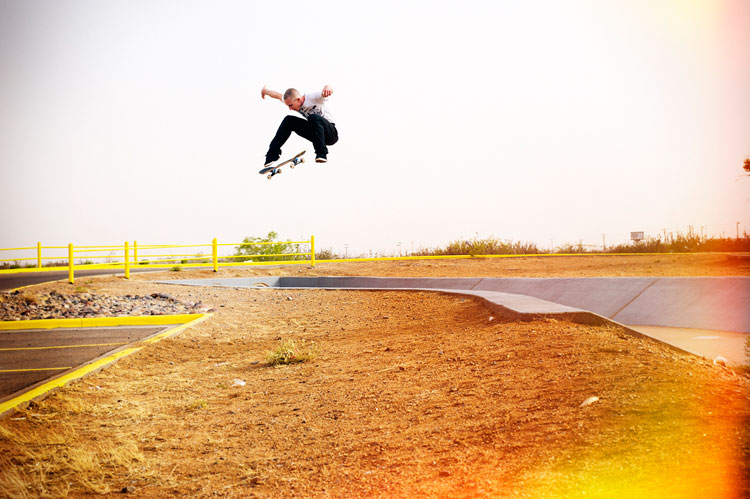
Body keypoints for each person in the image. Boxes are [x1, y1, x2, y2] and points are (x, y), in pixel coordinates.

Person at [261, 84, 338, 167]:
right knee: (288, 120)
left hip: (330, 134)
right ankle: (272, 155)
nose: (290, 108)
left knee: (313, 117)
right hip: (316, 133)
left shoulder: (313, 97)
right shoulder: (291, 100)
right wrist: (266, 91)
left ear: (298, 99)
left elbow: (327, 91)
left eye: (291, 105)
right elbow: (278, 96)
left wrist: (327, 87)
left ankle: (321, 154)